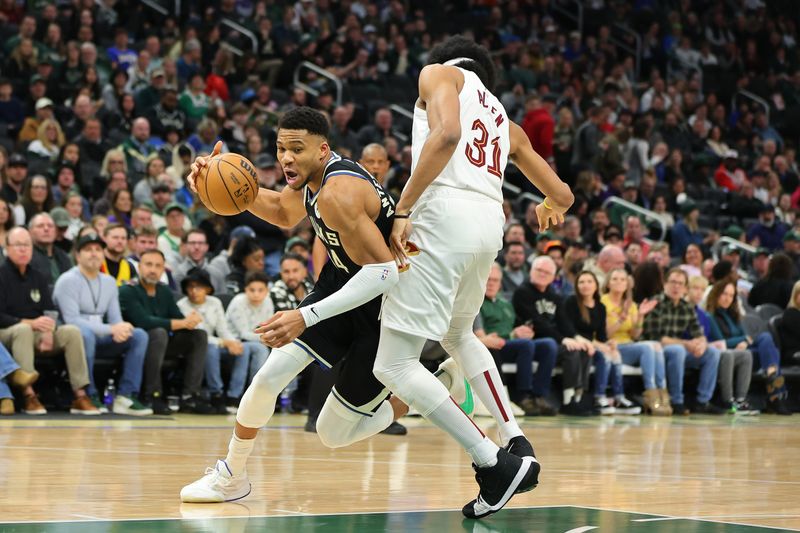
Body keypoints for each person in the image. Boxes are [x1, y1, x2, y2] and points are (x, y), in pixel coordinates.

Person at [180, 108, 437, 504]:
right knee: (268, 377)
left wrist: (304, 315)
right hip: (342, 283)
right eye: (281, 148)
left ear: (323, 150)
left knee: (334, 434)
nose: (285, 157)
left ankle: (435, 386)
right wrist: (216, 186)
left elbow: (385, 273)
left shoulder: (338, 190)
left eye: (295, 149)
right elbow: (283, 212)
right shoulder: (312, 178)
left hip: (384, 304)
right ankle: (232, 474)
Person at [374, 37, 573, 518]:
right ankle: (517, 441)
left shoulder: (437, 74)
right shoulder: (505, 119)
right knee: (459, 333)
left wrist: (402, 209)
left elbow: (444, 136)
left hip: (444, 214)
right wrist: (547, 207)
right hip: (489, 223)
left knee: (394, 365)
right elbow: (562, 195)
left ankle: (492, 463)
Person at [0, 227, 98, 415]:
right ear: (7, 248)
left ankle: (80, 395)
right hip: (7, 333)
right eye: (18, 245)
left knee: (71, 332)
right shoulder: (1, 275)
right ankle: (28, 394)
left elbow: (49, 309)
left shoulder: (38, 275)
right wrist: (29, 323)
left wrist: (48, 330)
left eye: (27, 245)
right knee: (23, 330)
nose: (23, 249)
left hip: (37, 331)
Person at [53, 233, 152, 415]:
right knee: (84, 333)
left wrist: (121, 328)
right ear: (77, 255)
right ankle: (88, 394)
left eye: (98, 249)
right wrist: (111, 328)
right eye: (88, 250)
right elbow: (72, 320)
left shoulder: (108, 282)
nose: (94, 254)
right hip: (72, 341)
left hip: (103, 338)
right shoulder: (67, 280)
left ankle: (126, 396)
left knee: (139, 335)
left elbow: (115, 319)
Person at [119, 249, 210, 415]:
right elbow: (144, 321)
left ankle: (190, 396)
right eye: (148, 265)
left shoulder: (164, 291)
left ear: (163, 270)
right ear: (139, 267)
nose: (153, 270)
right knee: (158, 332)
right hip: (135, 346)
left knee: (199, 335)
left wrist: (191, 320)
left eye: (158, 266)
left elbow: (178, 317)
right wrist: (182, 322)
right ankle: (152, 395)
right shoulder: (128, 290)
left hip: (161, 345)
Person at [476, 263, 557, 416]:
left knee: (548, 345)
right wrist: (513, 336)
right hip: (493, 347)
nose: (491, 283)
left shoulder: (505, 304)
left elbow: (513, 328)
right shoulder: (476, 303)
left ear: (500, 283)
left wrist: (522, 331)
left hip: (512, 343)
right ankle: (522, 396)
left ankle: (539, 395)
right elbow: (485, 336)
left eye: (495, 280)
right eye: (488, 279)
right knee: (525, 345)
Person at [177, 268, 259, 414]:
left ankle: (235, 396)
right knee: (211, 348)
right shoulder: (182, 305)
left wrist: (233, 342)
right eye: (190, 286)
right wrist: (224, 343)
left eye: (199, 286)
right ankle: (217, 394)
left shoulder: (215, 302)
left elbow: (223, 329)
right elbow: (199, 336)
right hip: (197, 347)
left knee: (243, 348)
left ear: (208, 288)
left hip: (217, 342)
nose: (194, 291)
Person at [642, 268, 722, 415]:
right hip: (656, 351)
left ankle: (702, 402)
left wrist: (701, 345)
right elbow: (656, 338)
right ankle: (677, 400)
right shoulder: (656, 303)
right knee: (678, 351)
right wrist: (686, 344)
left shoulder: (687, 307)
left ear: (685, 288)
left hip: (678, 348)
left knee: (712, 353)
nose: (676, 287)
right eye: (673, 282)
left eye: (680, 283)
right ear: (665, 284)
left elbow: (699, 333)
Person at [706, 280, 790, 415]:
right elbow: (721, 342)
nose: (727, 298)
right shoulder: (710, 316)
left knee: (766, 340)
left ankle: (771, 372)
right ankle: (774, 392)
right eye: (724, 294)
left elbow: (744, 337)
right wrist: (743, 340)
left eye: (731, 295)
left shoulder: (733, 315)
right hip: (728, 354)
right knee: (767, 343)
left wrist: (744, 341)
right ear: (716, 294)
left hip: (743, 353)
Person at [601, 268, 670, 415]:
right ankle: (650, 395)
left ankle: (662, 395)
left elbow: (635, 335)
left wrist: (640, 316)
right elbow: (606, 333)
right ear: (608, 283)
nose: (619, 282)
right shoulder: (603, 302)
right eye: (615, 279)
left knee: (656, 346)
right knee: (647, 348)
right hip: (611, 346)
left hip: (628, 345)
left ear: (627, 284)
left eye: (623, 279)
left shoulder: (630, 304)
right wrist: (622, 317)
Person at [224, 271, 272, 388]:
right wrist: (267, 338)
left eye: (261, 290)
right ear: (245, 290)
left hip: (256, 339)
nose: (256, 294)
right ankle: (250, 390)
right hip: (234, 340)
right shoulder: (238, 302)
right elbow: (244, 334)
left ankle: (278, 395)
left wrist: (269, 337)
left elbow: (267, 327)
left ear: (267, 291)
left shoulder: (268, 301)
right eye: (252, 290)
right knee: (260, 349)